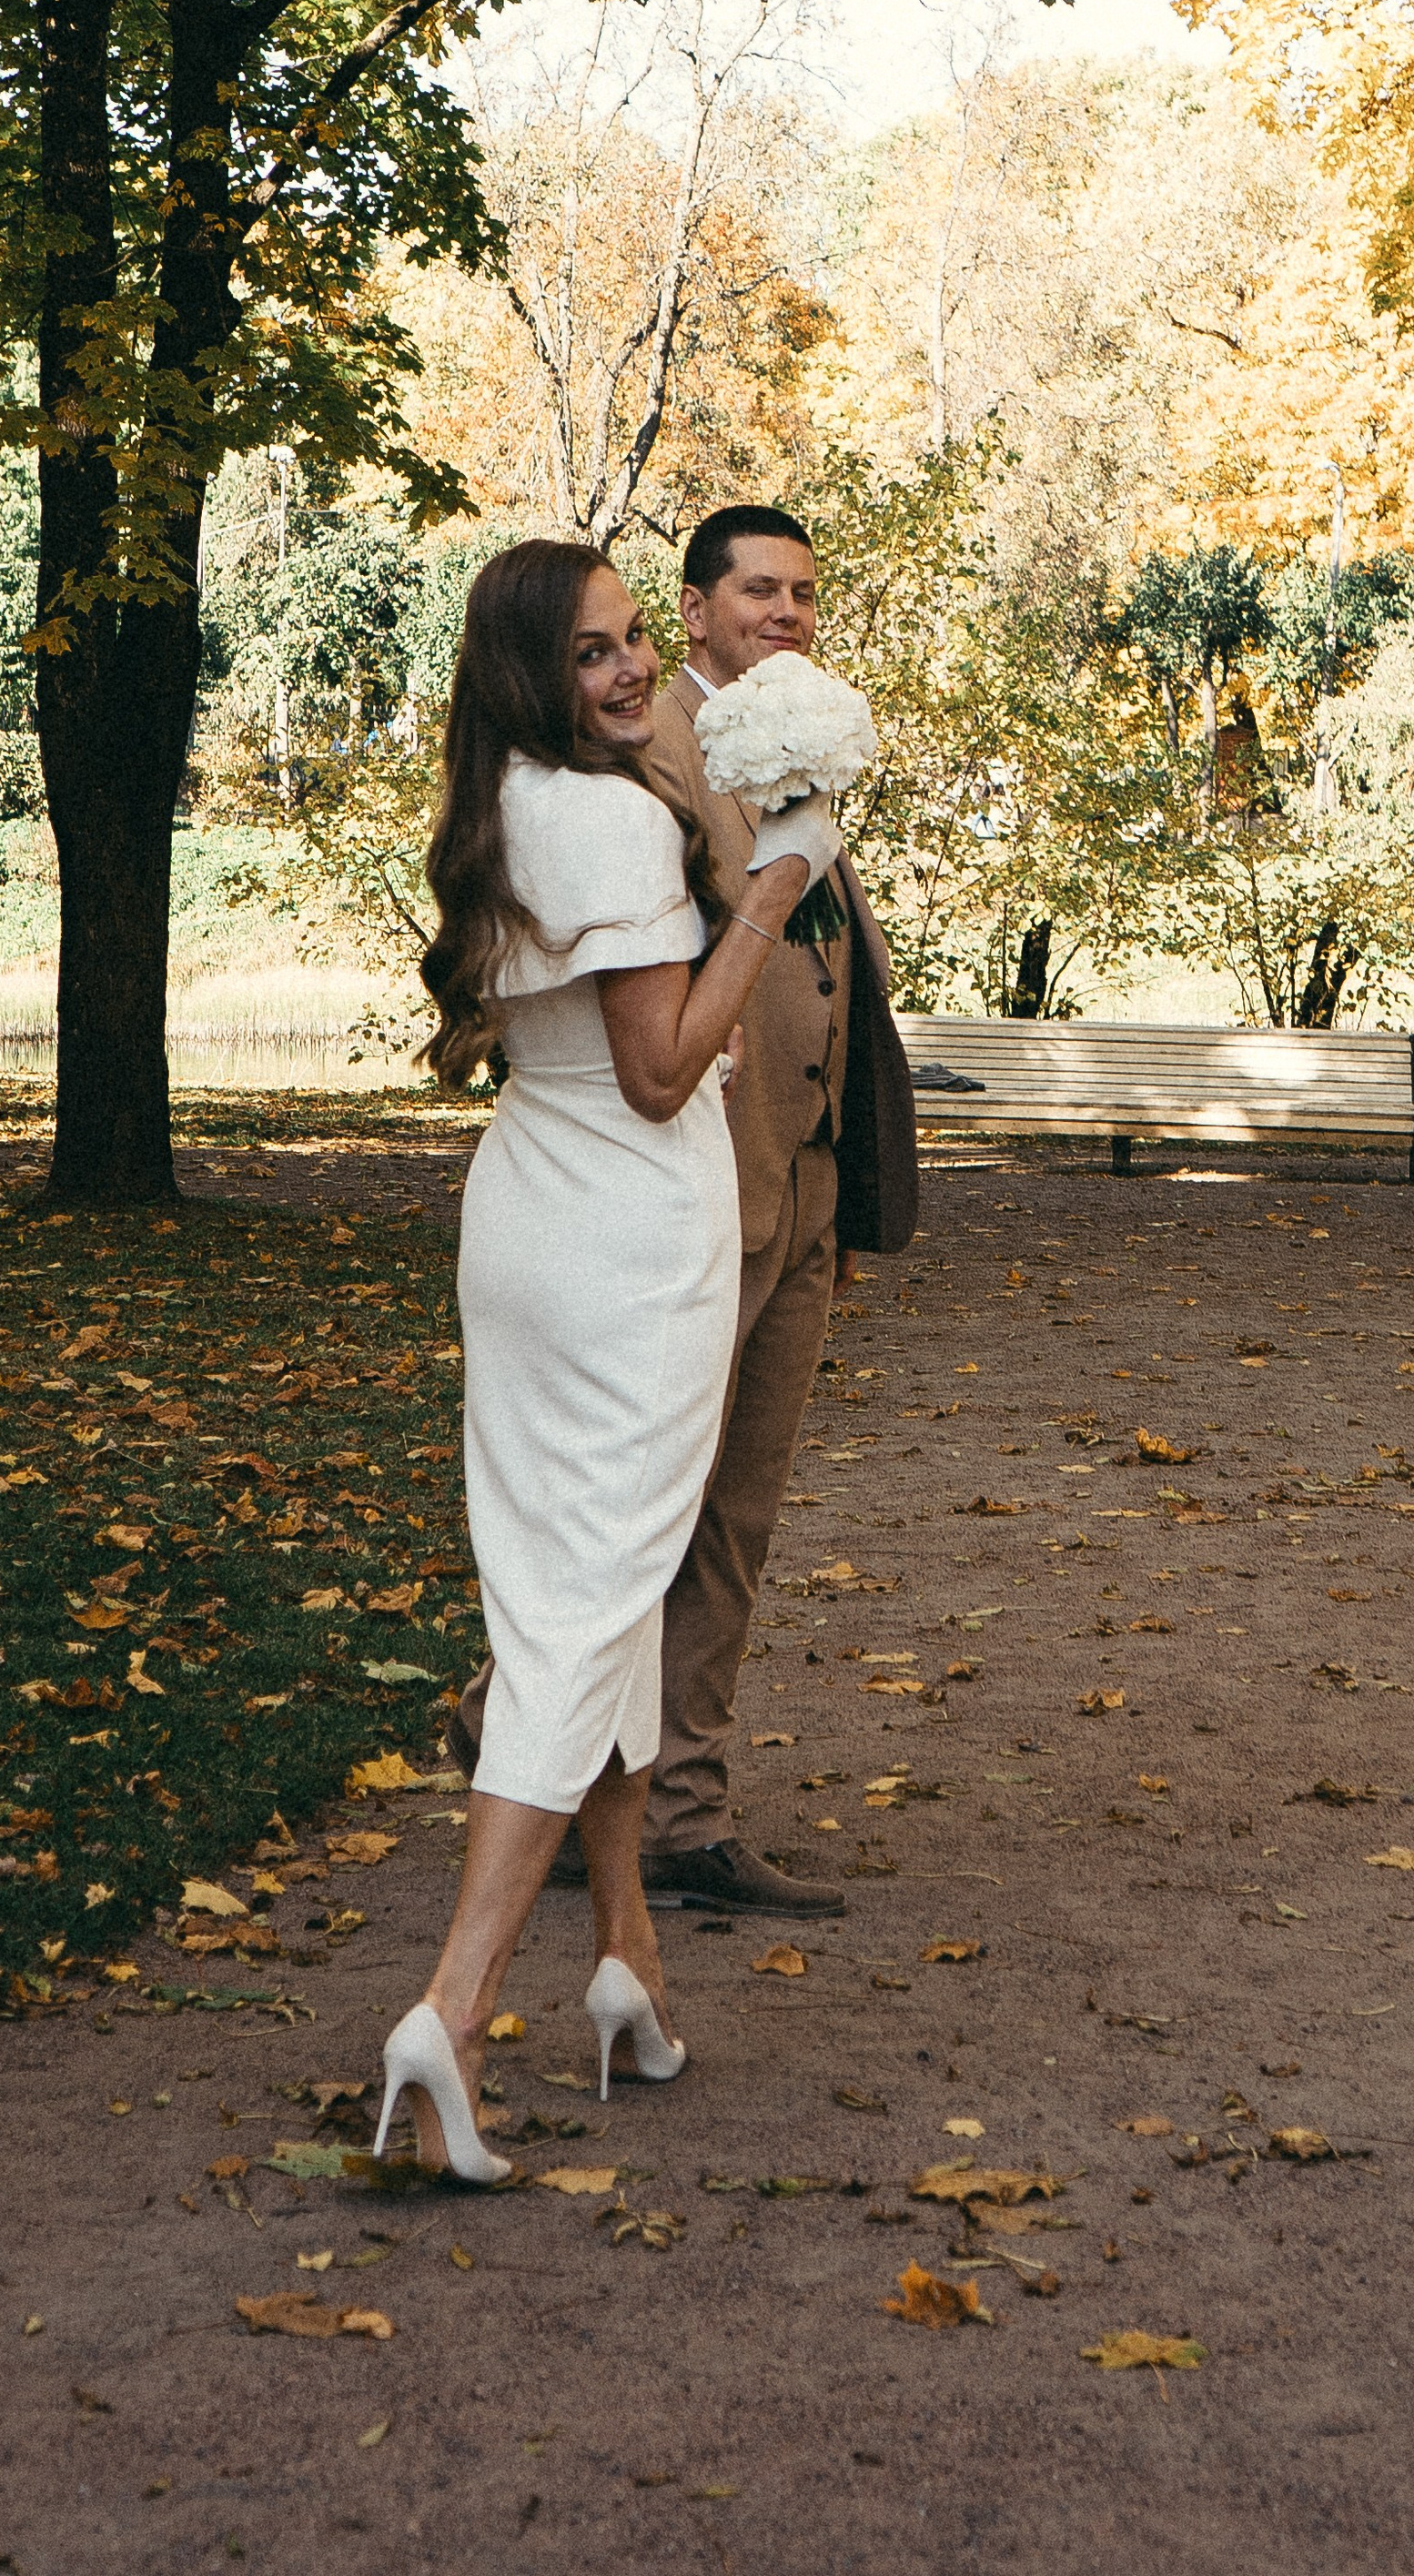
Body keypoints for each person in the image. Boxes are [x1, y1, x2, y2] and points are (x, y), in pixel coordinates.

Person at [372, 538, 838, 2184]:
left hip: (532, 1212)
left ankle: (628, 1955)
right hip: (631, 1235)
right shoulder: (615, 818)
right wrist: (772, 888)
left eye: (636, 637)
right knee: (583, 1612)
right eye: (592, 652)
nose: (634, 668)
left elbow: (594, 1046)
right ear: (531, 674)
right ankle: (454, 2009)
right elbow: (661, 1069)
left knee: (597, 1587)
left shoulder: (506, 797)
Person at [446, 501, 919, 1919]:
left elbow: (830, 968)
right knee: (653, 1509)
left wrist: (842, 1172)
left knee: (736, 1515)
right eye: (757, 590)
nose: (787, 613)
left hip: (798, 1177)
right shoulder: (635, 756)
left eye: (805, 593)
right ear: (700, 608)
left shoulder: (794, 746)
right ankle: (538, 1728)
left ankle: (675, 1805)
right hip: (687, 1183)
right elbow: (655, 1008)